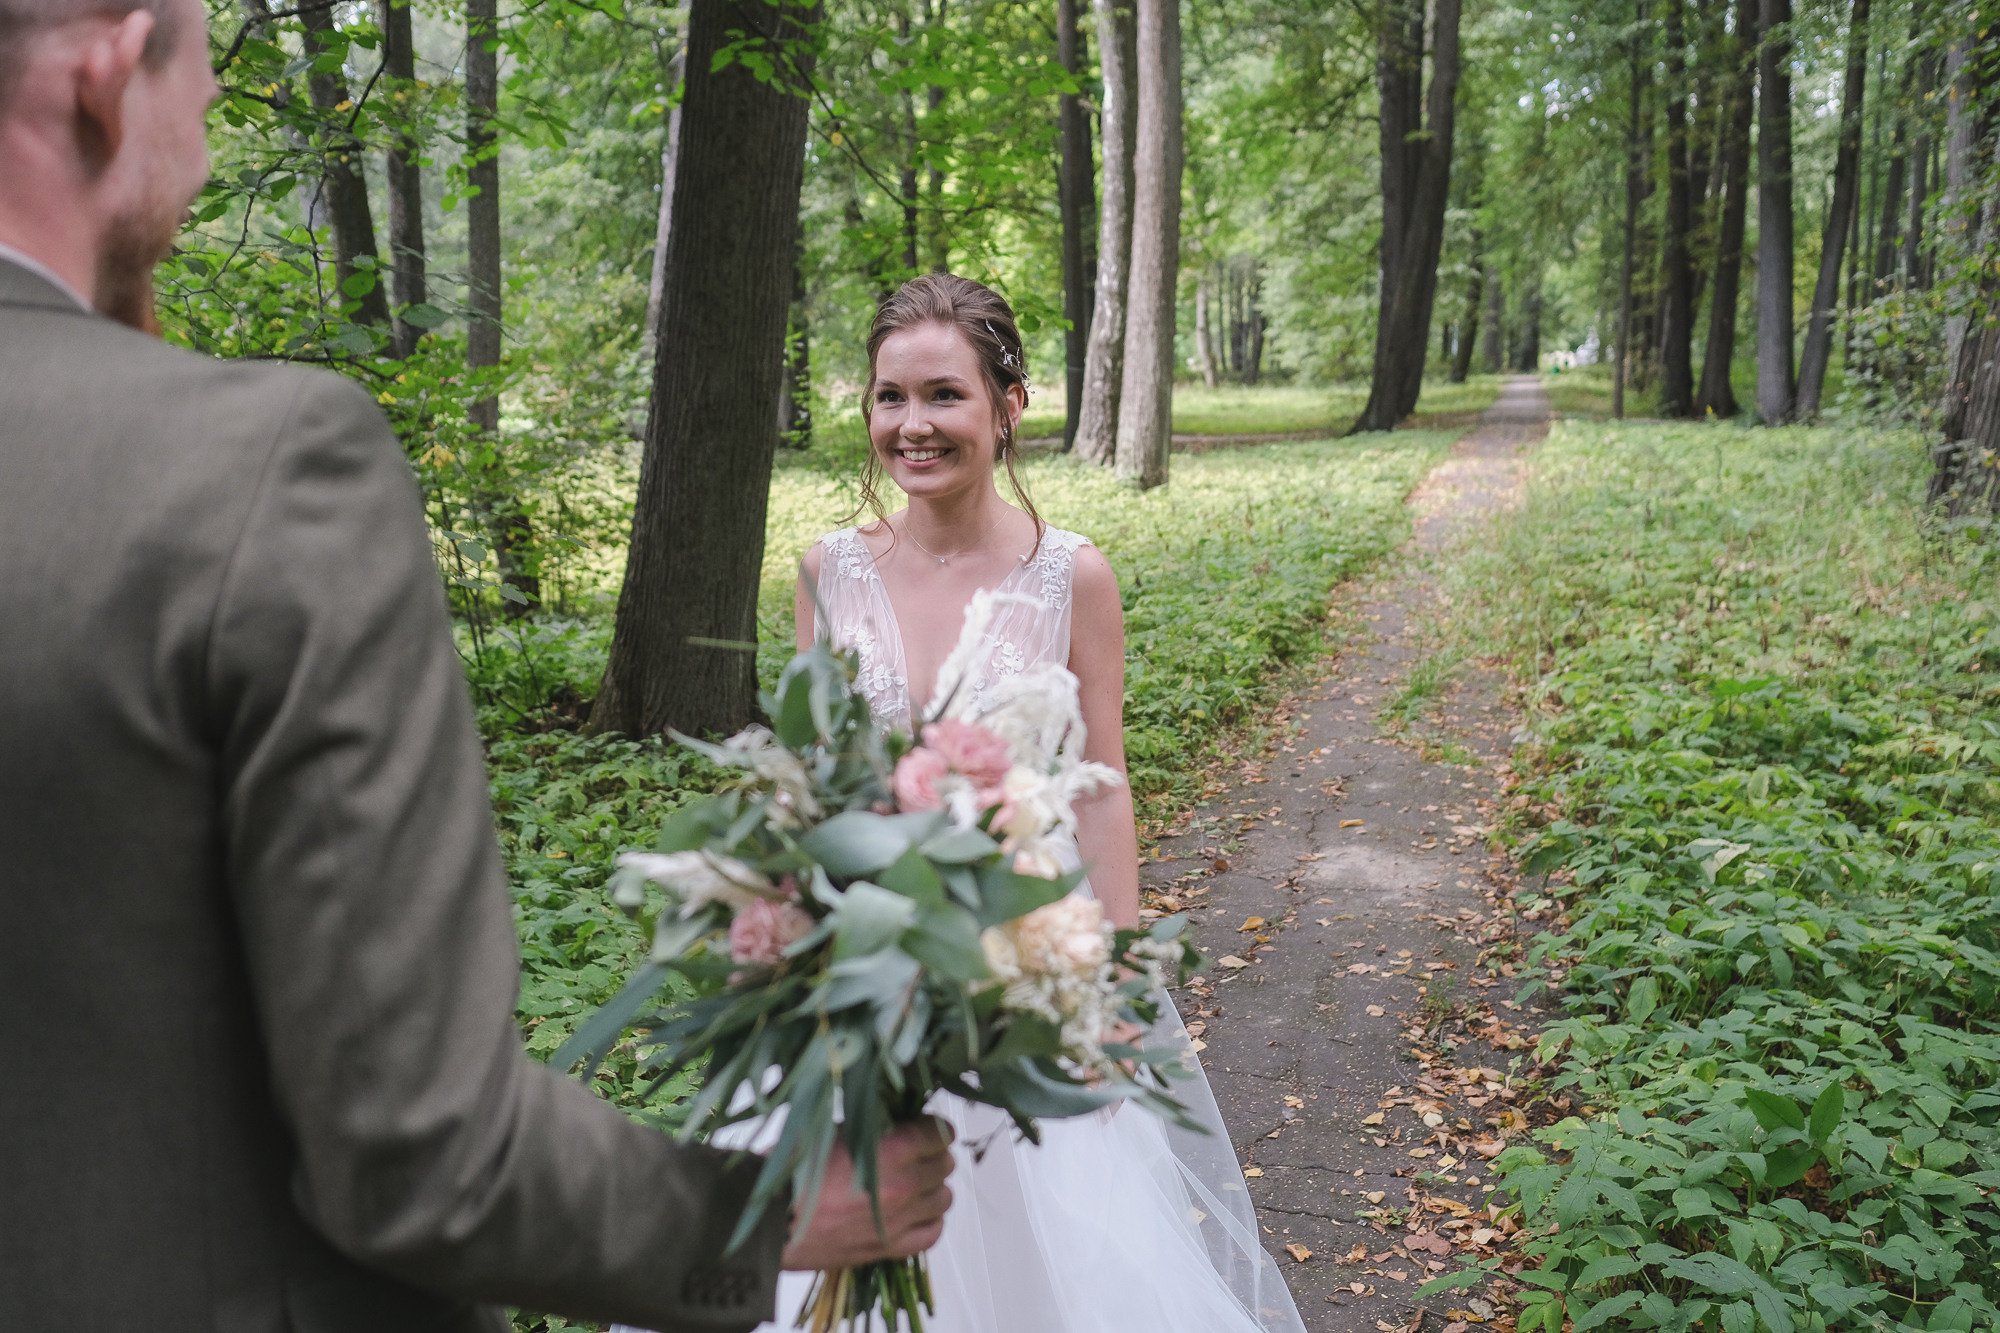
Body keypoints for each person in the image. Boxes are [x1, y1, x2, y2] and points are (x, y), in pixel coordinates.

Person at [0, 1, 951, 1328]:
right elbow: (418, 1150)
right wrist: (774, 1213)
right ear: (110, 64)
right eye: (204, 84)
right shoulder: (252, 472)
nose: (211, 132)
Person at [779, 274, 1310, 1332]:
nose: (912, 425)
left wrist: (1105, 991)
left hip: (1022, 972)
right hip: (863, 968)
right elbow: (808, 790)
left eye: (942, 395)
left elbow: (1100, 790)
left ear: (1006, 405)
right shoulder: (825, 571)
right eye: (889, 398)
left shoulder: (1071, 576)